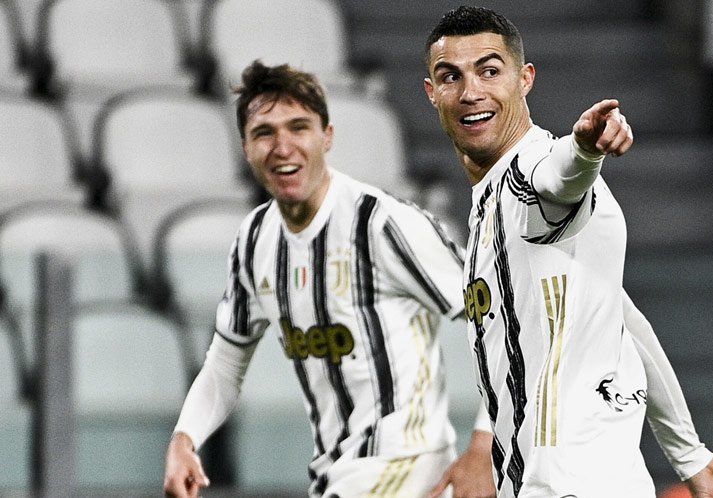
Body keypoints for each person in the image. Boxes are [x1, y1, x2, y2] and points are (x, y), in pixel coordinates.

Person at [422, 6, 713, 498]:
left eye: (489, 71)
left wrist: (584, 151)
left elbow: (556, 179)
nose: (471, 91)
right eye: (451, 76)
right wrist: (689, 455)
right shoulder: (488, 202)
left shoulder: (530, 171)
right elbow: (626, 324)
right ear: (432, 92)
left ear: (524, 79)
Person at [163, 61, 496, 498]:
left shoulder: (381, 224)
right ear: (245, 148)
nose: (282, 147)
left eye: (298, 128)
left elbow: (501, 316)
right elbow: (225, 363)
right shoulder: (256, 240)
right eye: (264, 133)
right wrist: (184, 439)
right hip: (335, 477)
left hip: (408, 469)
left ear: (327, 137)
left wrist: (485, 446)